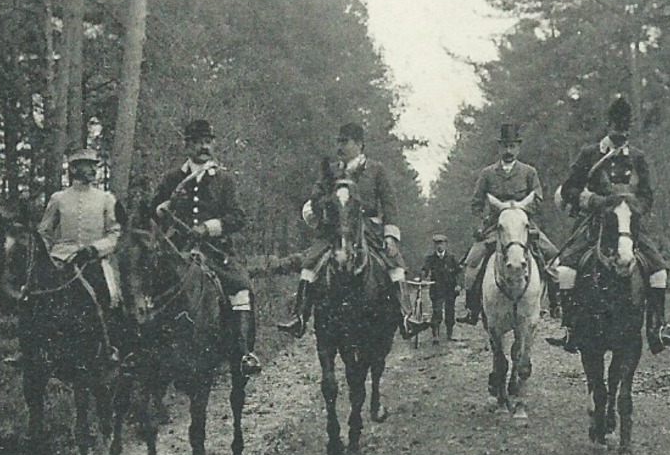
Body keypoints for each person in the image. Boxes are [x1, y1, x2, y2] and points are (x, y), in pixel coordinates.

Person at [545, 96, 670, 356]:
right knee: (566, 269)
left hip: (628, 223)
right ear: (608, 125)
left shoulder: (637, 158)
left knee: (659, 272)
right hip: (595, 223)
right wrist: (592, 201)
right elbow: (569, 189)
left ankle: (658, 328)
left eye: (626, 130)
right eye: (617, 129)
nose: (621, 134)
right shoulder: (590, 154)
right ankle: (568, 327)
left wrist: (635, 208)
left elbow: (647, 195)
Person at [276, 122, 424, 339]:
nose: (340, 147)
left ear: (359, 144)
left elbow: (389, 204)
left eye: (344, 142)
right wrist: (327, 205)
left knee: (395, 265)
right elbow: (315, 197)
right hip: (334, 229)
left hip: (369, 229)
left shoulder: (376, 169)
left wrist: (390, 236)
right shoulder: (332, 171)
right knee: (310, 263)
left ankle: (406, 316)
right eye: (338, 142)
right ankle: (299, 317)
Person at [149, 119, 261, 375]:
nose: (204, 147)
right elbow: (152, 212)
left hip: (214, 251)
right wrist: (164, 206)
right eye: (198, 142)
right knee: (146, 290)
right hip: (178, 251)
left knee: (242, 288)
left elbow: (237, 217)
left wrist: (209, 228)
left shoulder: (224, 179)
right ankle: (144, 354)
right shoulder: (173, 179)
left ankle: (244, 353)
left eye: (208, 142)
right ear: (187, 145)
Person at [458, 122, 559, 326]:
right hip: (495, 226)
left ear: (518, 148)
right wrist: (480, 224)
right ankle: (473, 309)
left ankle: (555, 304)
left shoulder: (529, 172)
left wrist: (521, 209)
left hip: (523, 223)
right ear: (499, 148)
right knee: (472, 262)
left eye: (512, 146)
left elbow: (538, 198)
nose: (509, 151)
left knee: (552, 256)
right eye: (505, 146)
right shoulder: (488, 173)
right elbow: (476, 202)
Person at [38, 146, 124, 357]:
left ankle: (112, 347)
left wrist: (96, 248)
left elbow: (115, 233)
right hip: (61, 258)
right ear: (74, 169)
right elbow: (44, 232)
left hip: (93, 259)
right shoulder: (58, 198)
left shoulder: (106, 199)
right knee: (37, 295)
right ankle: (32, 347)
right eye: (88, 166)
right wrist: (51, 255)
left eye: (95, 166)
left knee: (110, 297)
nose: (93, 170)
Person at [416, 233, 462, 342]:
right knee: (437, 311)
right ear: (434, 245)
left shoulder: (451, 258)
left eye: (441, 243)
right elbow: (425, 269)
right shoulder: (431, 258)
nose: (439, 246)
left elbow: (459, 272)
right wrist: (422, 277)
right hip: (436, 289)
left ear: (446, 244)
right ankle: (435, 335)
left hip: (450, 289)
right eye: (437, 244)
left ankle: (449, 334)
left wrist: (459, 284)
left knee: (450, 311)